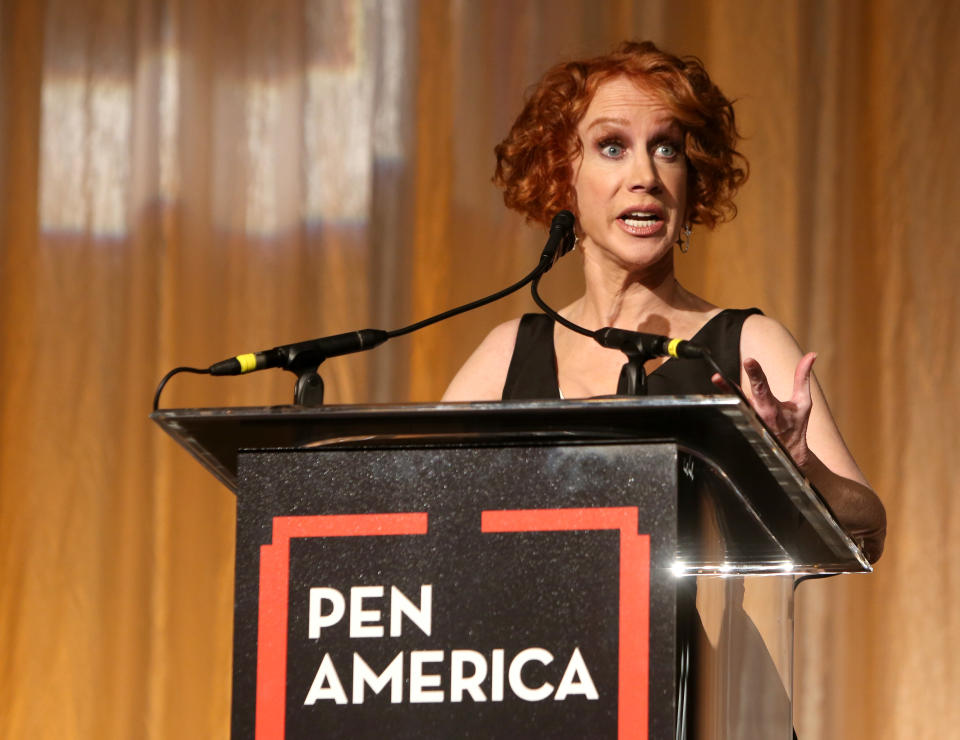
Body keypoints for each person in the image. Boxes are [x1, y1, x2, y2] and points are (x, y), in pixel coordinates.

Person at [443, 40, 885, 562]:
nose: (646, 178)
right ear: (563, 178)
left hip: (686, 641)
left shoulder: (745, 343)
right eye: (612, 147)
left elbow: (868, 527)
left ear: (692, 178)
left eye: (666, 148)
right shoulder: (507, 352)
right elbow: (422, 505)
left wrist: (800, 465)